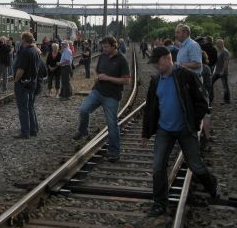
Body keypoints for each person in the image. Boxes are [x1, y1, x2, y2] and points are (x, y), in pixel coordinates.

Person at [141, 46, 219, 217]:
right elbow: (150, 108)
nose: (155, 66)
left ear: (167, 58)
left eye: (157, 62)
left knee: (196, 166)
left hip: (185, 129)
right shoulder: (156, 80)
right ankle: (159, 203)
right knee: (158, 167)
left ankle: (212, 185)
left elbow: (203, 100)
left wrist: (193, 119)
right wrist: (146, 133)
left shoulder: (186, 75)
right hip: (164, 130)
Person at [73, 36, 131, 163]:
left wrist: (108, 78)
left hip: (112, 96)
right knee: (83, 109)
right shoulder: (103, 56)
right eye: (102, 47)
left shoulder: (121, 59)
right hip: (98, 91)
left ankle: (114, 152)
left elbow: (126, 80)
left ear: (113, 46)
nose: (103, 49)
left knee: (112, 124)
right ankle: (83, 130)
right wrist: (98, 77)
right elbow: (98, 71)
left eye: (106, 47)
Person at [12, 32, 39, 138]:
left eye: (21, 39)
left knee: (23, 108)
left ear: (24, 40)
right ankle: (33, 129)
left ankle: (25, 132)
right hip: (32, 82)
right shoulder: (35, 51)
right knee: (30, 107)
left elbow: (21, 69)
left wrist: (15, 80)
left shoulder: (25, 52)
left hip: (23, 84)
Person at [212, 38, 230, 104]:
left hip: (223, 72)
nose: (216, 45)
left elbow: (226, 62)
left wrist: (223, 71)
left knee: (225, 86)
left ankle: (227, 100)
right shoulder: (218, 50)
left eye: (217, 43)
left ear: (221, 43)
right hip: (217, 71)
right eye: (216, 43)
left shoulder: (225, 51)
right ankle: (211, 98)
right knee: (210, 82)